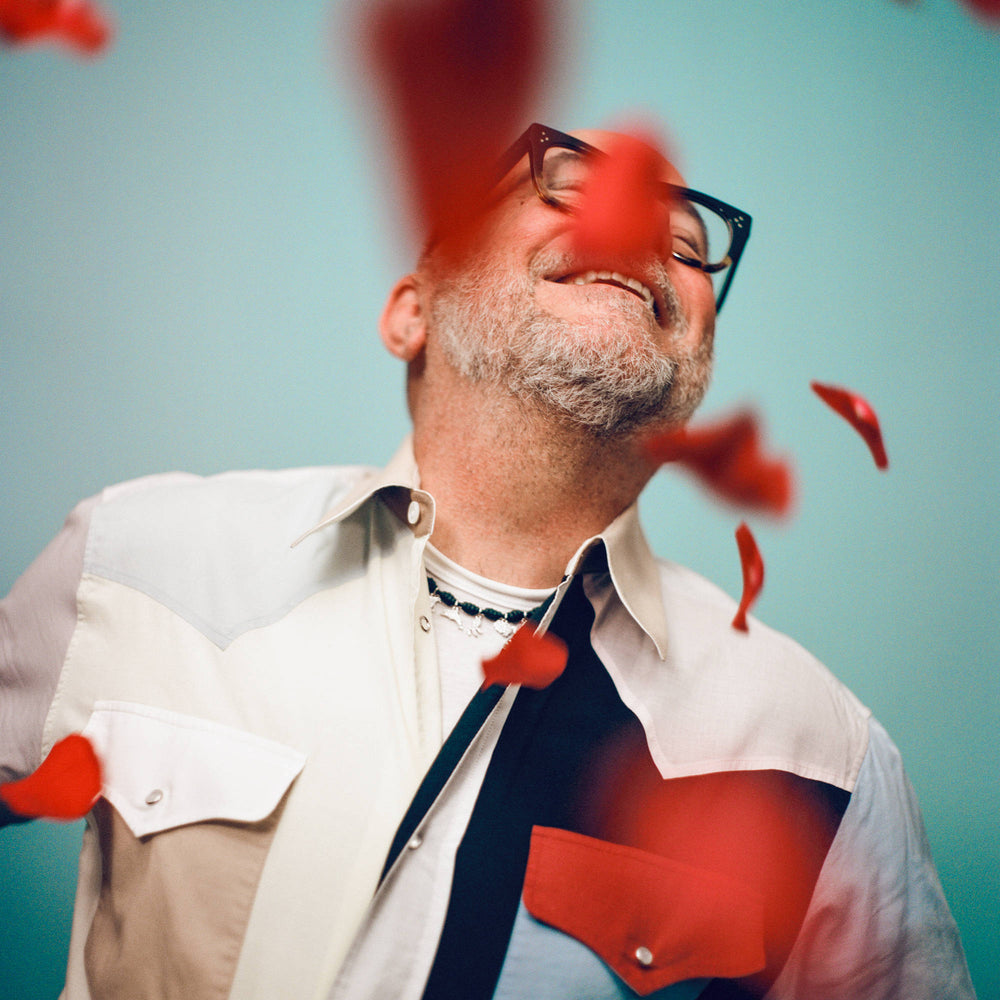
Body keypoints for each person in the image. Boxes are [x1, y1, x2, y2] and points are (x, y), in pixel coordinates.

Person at [0, 123, 975, 1000]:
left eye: (686, 244)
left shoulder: (820, 754)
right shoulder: (133, 562)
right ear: (411, 310)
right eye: (569, 188)